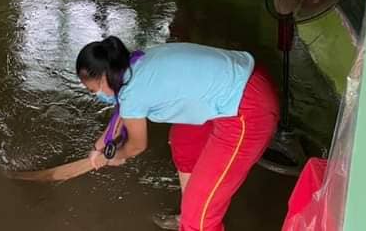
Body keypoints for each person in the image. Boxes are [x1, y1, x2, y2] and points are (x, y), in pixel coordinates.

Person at [76, 36, 279, 231]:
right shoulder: (135, 63)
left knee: (198, 218)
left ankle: (194, 218)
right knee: (184, 140)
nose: (95, 95)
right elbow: (124, 112)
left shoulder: (133, 94)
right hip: (239, 79)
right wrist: (98, 147)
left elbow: (136, 146)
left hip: (248, 109)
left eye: (94, 90)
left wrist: (115, 157)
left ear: (105, 78)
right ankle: (188, 213)